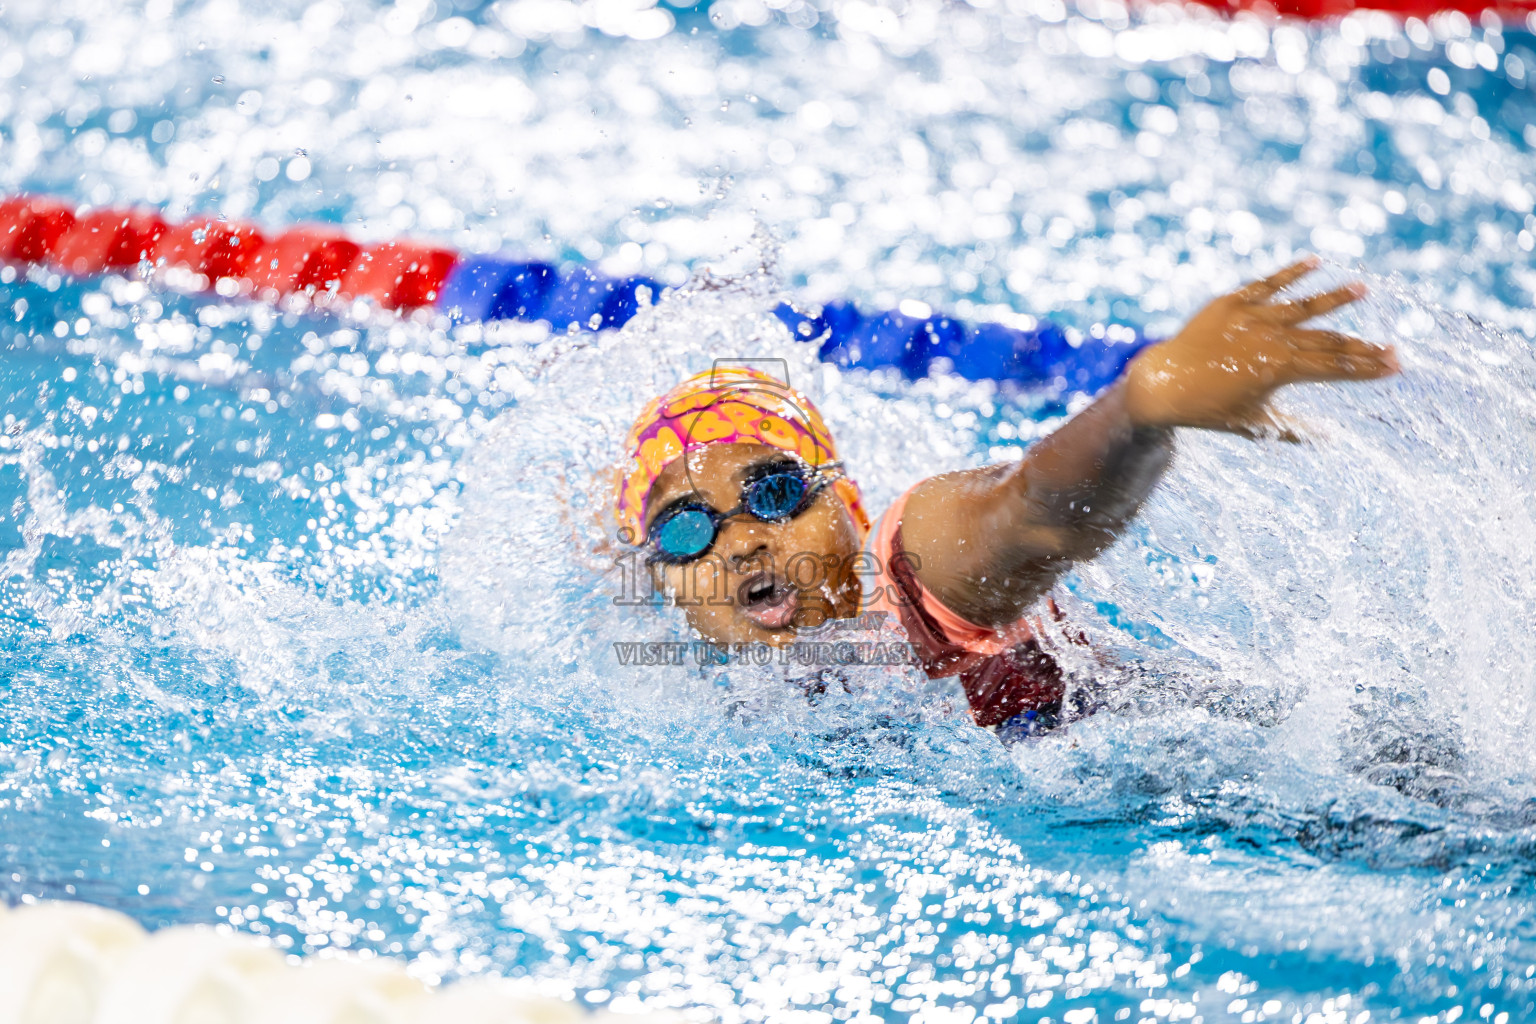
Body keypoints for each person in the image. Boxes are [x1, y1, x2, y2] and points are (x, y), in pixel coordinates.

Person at [611, 257, 1398, 738]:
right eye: (685, 532)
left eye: (775, 491)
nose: (741, 541)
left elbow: (1033, 514)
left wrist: (1138, 406)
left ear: (846, 508)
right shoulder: (715, 687)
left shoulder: (907, 573)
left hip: (1297, 775)